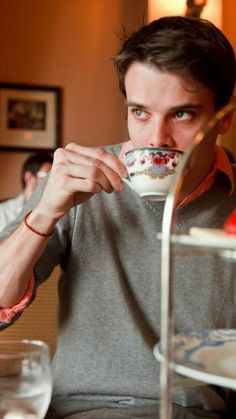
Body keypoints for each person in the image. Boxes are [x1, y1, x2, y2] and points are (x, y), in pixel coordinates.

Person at [0, 16, 236, 419]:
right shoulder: (74, 183)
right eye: (139, 112)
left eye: (181, 115)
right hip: (81, 411)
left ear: (224, 117)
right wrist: (44, 211)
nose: (156, 139)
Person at [0, 152, 53, 232]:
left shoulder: (56, 211)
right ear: (29, 177)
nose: (51, 182)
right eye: (46, 176)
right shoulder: (3, 211)